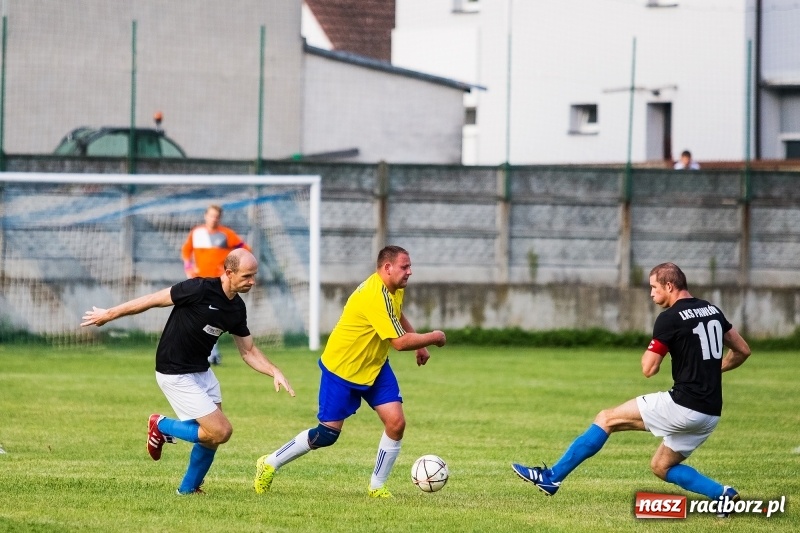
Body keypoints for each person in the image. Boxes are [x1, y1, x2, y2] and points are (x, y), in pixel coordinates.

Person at [511, 262, 751, 516]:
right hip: (710, 414)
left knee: (607, 419)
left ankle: (552, 477)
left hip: (683, 405)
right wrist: (712, 370)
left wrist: (657, 351)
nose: (651, 293)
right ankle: (722, 495)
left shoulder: (669, 318)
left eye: (653, 287)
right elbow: (743, 350)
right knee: (661, 466)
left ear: (669, 286)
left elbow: (649, 369)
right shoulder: (712, 310)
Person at [81, 249, 295, 495]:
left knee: (211, 437)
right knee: (221, 431)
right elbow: (152, 299)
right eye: (247, 276)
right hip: (174, 370)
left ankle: (188, 489)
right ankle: (161, 426)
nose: (252, 282)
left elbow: (248, 351)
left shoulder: (236, 308)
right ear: (229, 273)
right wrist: (109, 314)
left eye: (254, 276)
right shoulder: (199, 289)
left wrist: (274, 371)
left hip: (201, 371)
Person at [253, 245, 447, 498]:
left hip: (375, 366)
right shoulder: (374, 295)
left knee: (396, 423)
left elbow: (396, 314)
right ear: (387, 268)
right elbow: (398, 343)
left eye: (410, 266)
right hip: (342, 369)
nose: (410, 272)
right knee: (326, 434)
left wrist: (417, 347)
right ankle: (270, 463)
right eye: (405, 267)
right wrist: (433, 337)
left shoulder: (392, 289)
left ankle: (377, 487)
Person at [181, 204, 250, 365]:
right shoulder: (196, 233)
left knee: (213, 318)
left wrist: (229, 266)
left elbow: (244, 249)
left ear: (220, 218)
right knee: (196, 317)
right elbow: (186, 252)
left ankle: (211, 354)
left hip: (219, 284)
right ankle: (204, 354)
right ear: (206, 216)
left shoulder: (226, 234)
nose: (214, 219)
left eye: (217, 216)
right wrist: (189, 267)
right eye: (211, 215)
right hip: (199, 282)